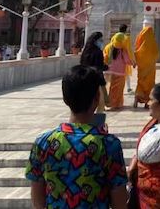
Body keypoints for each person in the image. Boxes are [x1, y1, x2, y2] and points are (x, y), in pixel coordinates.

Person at [25, 65, 128, 208]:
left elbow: (37, 196)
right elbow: (119, 199)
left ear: (65, 99)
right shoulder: (108, 144)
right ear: (97, 98)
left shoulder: (43, 142)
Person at [80, 32, 109, 116]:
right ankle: (97, 120)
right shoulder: (98, 52)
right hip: (96, 78)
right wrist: (106, 67)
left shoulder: (85, 51)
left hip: (85, 77)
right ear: (95, 41)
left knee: (88, 100)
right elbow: (99, 66)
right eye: (100, 40)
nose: (101, 42)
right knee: (101, 102)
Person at [103, 32, 133, 110]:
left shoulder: (108, 46)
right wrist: (133, 63)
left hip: (109, 70)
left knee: (112, 88)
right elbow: (127, 60)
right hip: (120, 72)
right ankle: (117, 103)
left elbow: (104, 56)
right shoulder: (122, 49)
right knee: (119, 89)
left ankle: (111, 102)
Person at [133, 26, 160, 109]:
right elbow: (157, 55)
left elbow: (136, 53)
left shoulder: (140, 45)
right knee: (149, 85)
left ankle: (136, 100)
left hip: (142, 69)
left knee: (140, 83)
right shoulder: (153, 44)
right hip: (151, 70)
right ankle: (146, 103)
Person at [118, 25, 135, 93]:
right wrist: (132, 60)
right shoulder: (126, 38)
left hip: (115, 58)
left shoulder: (115, 37)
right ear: (126, 30)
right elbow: (129, 50)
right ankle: (128, 88)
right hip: (123, 58)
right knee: (126, 73)